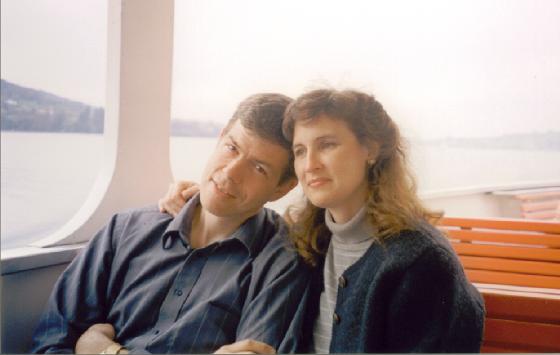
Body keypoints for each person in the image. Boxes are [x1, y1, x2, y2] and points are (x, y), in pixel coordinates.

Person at [161, 89, 485, 353]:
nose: (310, 164)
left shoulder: (420, 262)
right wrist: (198, 198)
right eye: (300, 151)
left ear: (370, 149)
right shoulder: (308, 242)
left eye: (327, 145)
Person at [31, 93, 309, 354]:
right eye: (231, 148)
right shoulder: (124, 229)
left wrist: (107, 350)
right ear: (220, 137)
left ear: (282, 188)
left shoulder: (281, 262)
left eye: (258, 168)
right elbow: (51, 343)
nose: (231, 172)